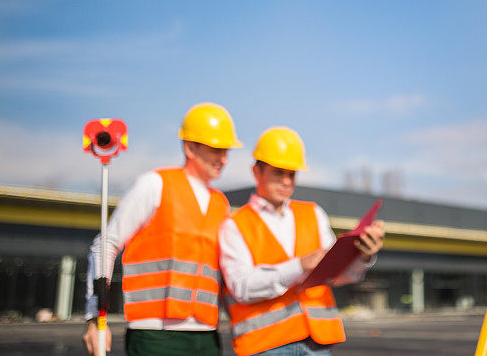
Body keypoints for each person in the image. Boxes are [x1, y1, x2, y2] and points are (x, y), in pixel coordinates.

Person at [82, 102, 243, 356]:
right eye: (216, 149)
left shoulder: (220, 203)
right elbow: (106, 245)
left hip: (206, 335)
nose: (223, 158)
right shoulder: (154, 184)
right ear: (189, 147)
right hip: (155, 335)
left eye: (226, 151)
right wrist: (94, 318)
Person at [219, 127, 385, 356]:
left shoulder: (314, 214)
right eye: (279, 172)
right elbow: (241, 287)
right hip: (266, 346)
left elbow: (336, 275)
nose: (287, 181)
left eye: (292, 174)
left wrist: (363, 257)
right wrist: (299, 266)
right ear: (257, 171)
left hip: (316, 343)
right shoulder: (234, 225)